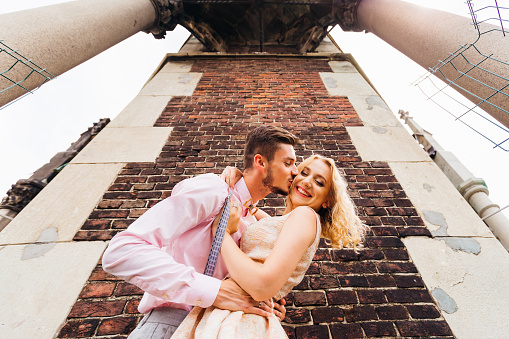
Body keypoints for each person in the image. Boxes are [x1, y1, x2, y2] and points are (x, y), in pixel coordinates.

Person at [101, 125, 300, 338]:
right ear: (260, 162)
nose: (295, 171)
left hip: (220, 329)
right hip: (172, 325)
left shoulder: (252, 222)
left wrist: (264, 305)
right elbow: (123, 250)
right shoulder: (215, 190)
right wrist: (215, 292)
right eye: (288, 163)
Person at [171, 154, 366, 338]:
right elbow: (249, 208)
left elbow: (261, 286)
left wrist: (221, 234)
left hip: (243, 319)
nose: (307, 181)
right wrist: (240, 176)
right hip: (229, 309)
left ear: (327, 200)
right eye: (304, 173)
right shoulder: (280, 222)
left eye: (319, 182)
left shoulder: (305, 216)